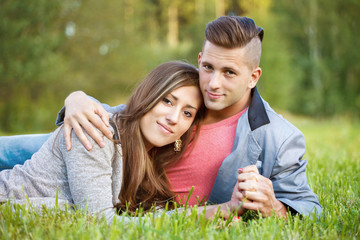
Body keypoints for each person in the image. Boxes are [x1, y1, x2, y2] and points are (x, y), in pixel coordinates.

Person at [0, 16, 322, 218]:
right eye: (208, 67)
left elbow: (309, 208)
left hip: (122, 190)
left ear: (253, 77)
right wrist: (78, 98)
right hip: (87, 144)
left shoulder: (279, 137)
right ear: (199, 59)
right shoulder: (190, 91)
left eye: (229, 73)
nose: (213, 83)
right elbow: (135, 112)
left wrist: (275, 208)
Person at [0, 61, 223, 224]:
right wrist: (196, 217)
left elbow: (147, 215)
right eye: (167, 101)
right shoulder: (97, 131)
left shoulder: (151, 156)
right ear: (147, 95)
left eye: (187, 113)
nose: (173, 118)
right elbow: (101, 221)